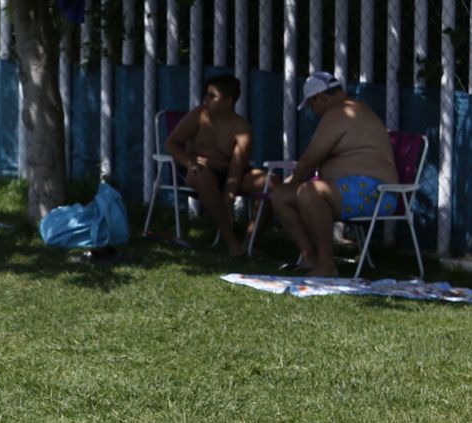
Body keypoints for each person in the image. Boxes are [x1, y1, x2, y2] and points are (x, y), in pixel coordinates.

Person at [269, 70, 399, 277]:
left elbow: (310, 160)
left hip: (376, 192)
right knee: (280, 196)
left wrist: (293, 181)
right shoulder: (347, 111)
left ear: (320, 97)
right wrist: (289, 186)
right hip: (350, 190)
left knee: (309, 191)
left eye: (312, 105)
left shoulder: (340, 112)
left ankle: (326, 264)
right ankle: (309, 257)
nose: (314, 111)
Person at [165, 74, 264, 256]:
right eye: (206, 95)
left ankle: (250, 241)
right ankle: (231, 241)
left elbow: (237, 167)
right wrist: (189, 163)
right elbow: (171, 143)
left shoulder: (242, 128)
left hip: (230, 173)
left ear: (228, 101)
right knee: (202, 177)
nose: (206, 100)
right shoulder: (198, 115)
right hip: (199, 169)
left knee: (269, 182)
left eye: (212, 96)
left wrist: (229, 196)